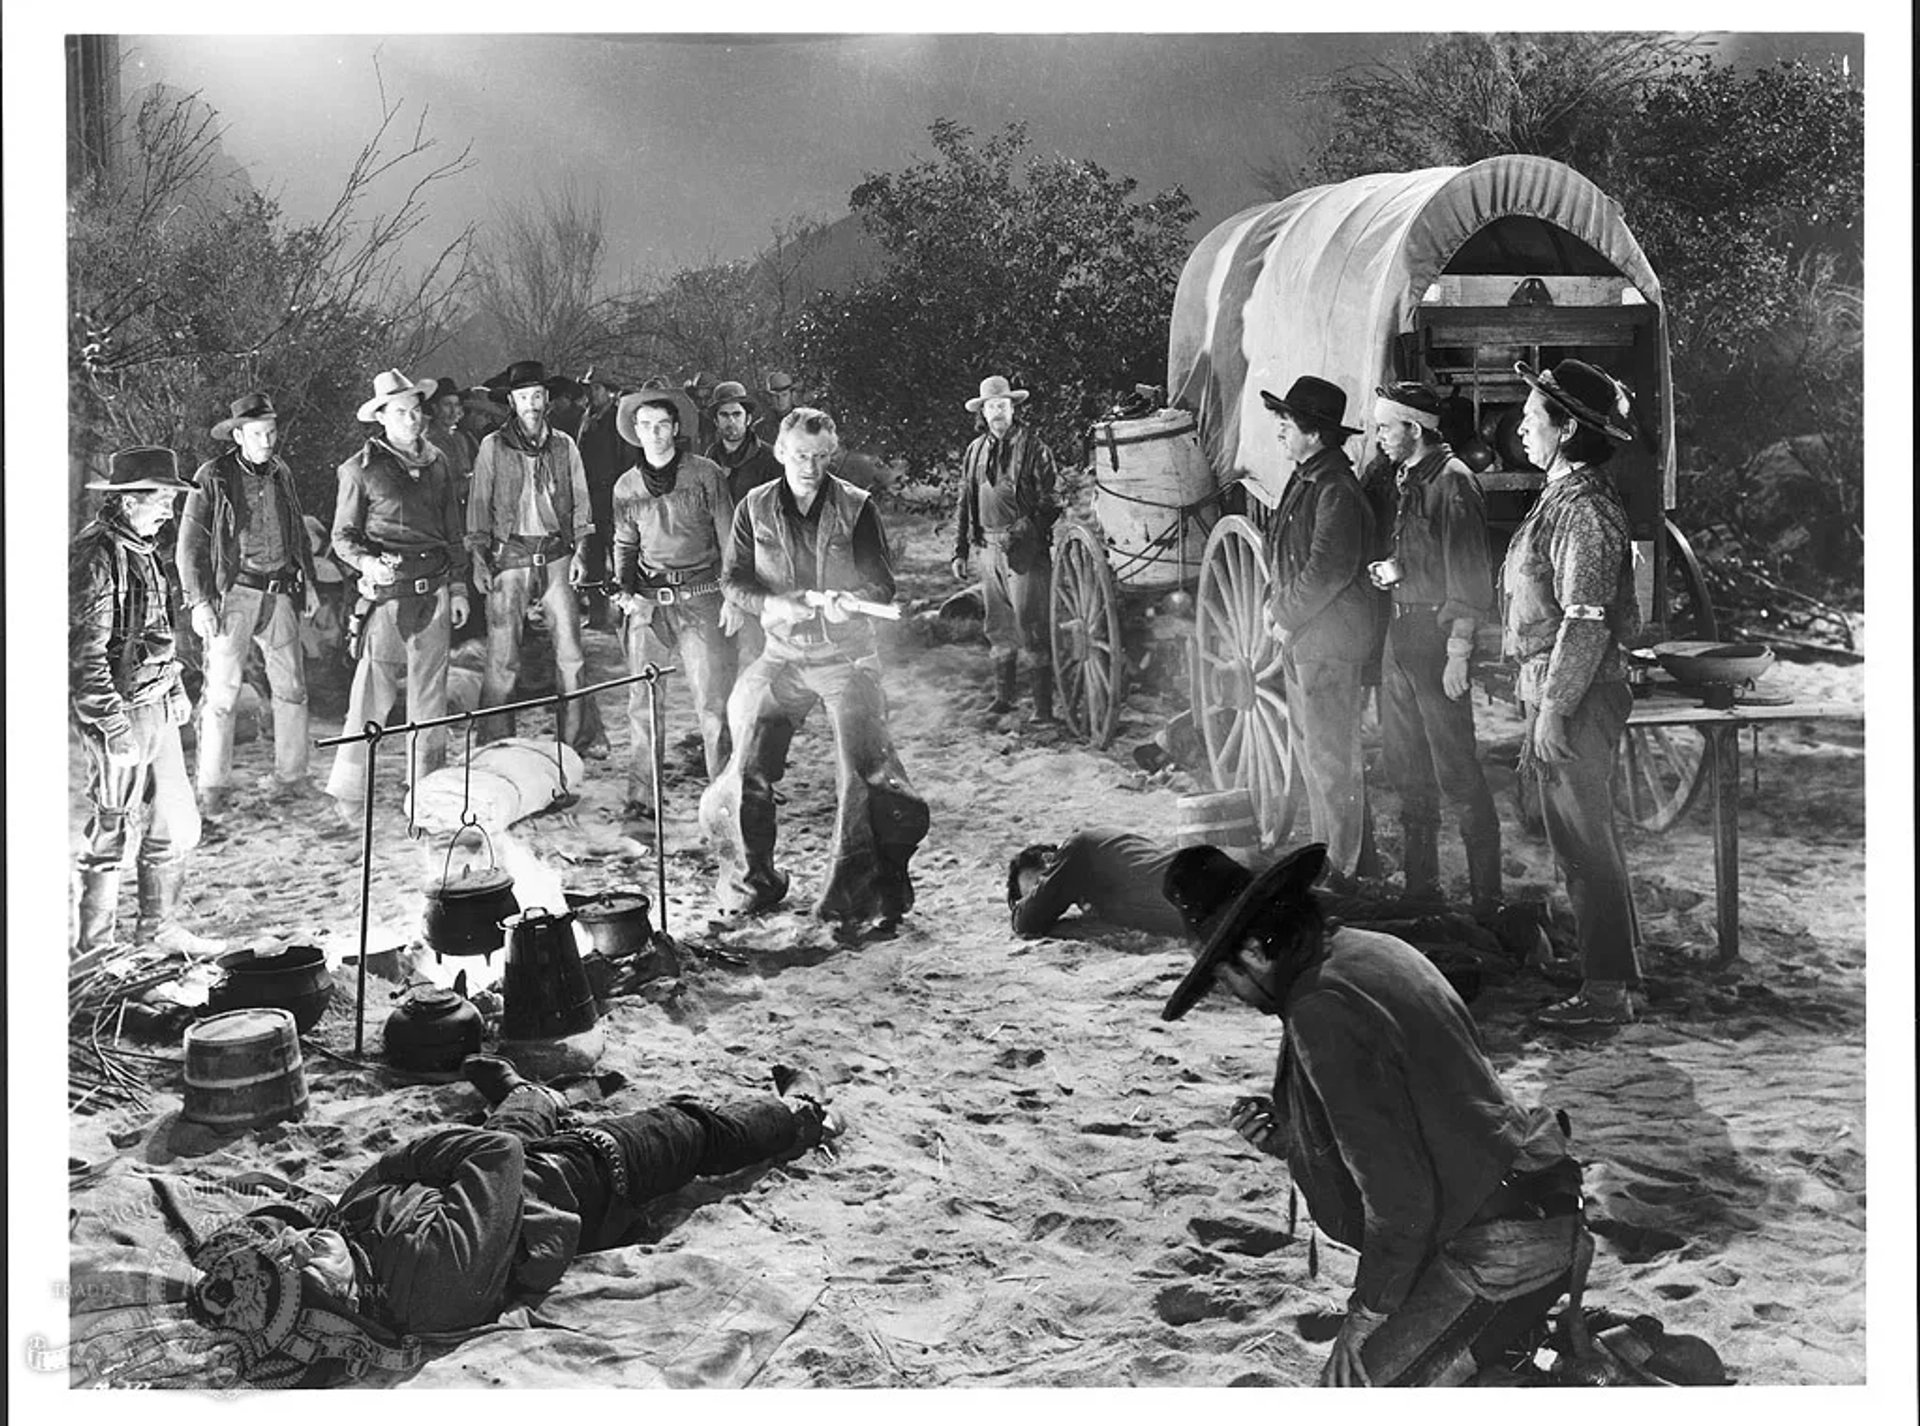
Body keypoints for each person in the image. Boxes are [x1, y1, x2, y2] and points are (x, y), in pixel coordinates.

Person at [1159, 842, 1592, 1387]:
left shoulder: (1320, 1010)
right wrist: (1293, 1135)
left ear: (1252, 951)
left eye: (1223, 979)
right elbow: (1423, 1106)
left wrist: (1366, 1316)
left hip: (1500, 1245)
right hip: (1535, 1201)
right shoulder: (1367, 950)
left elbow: (1400, 1199)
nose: (1232, 994)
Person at [152, 1055, 843, 1388]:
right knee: (692, 1128)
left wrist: (346, 1203)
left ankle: (530, 1093)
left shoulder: (346, 1257)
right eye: (295, 1257)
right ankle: (802, 1115)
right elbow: (496, 1156)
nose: (302, 1239)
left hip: (490, 1174)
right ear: (324, 1305)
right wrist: (396, 1161)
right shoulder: (433, 1283)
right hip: (589, 1172)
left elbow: (320, 1216)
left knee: (511, 1118)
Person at [700, 407, 930, 930]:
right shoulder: (753, 507)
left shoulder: (856, 506)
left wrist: (853, 600)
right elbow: (733, 580)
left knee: (865, 775)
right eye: (801, 455)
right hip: (780, 656)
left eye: (821, 457)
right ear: (780, 452)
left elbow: (883, 586)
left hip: (844, 659)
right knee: (743, 764)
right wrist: (768, 606)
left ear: (832, 456)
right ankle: (751, 885)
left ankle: (855, 897)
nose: (810, 466)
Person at [1505, 360, 1644, 1028]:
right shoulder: (1562, 496)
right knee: (1581, 841)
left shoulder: (1585, 510)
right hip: (1560, 689)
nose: (1522, 428)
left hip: (1580, 695)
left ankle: (1606, 992)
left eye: (1534, 417)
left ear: (1564, 430)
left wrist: (1556, 707)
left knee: (1586, 844)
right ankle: (1613, 974)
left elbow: (1585, 620)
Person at [70, 446, 223, 961]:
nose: (169, 510)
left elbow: (158, 631)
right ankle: (94, 950)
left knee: (171, 823)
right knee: (111, 824)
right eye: (161, 499)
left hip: (156, 703)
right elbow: (85, 658)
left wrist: (175, 687)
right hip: (123, 710)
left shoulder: (144, 550)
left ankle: (157, 929)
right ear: (130, 500)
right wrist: (112, 728)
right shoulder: (96, 555)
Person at [1361, 381, 1501, 916]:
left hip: (1436, 641)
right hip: (1401, 634)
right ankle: (1423, 889)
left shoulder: (1454, 482)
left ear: (1414, 430)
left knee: (1457, 772)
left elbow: (1468, 575)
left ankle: (1489, 901)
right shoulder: (1408, 477)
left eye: (1385, 428)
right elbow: (1424, 556)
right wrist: (1394, 574)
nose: (1379, 438)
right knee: (1406, 766)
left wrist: (1460, 650)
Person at [325, 369, 472, 816]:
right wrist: (368, 564)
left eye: (415, 411)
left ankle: (425, 793)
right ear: (381, 418)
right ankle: (350, 792)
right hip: (388, 596)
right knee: (371, 695)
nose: (412, 420)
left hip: (436, 592)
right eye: (401, 413)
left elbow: (452, 530)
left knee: (430, 700)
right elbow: (342, 536)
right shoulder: (358, 470)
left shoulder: (439, 463)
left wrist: (461, 585)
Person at [176, 392, 321, 811]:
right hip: (233, 593)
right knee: (222, 693)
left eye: (272, 432)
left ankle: (291, 777)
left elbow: (295, 529)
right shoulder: (213, 476)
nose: (267, 441)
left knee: (292, 688)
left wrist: (307, 581)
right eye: (258, 434)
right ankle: (212, 787)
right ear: (238, 435)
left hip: (279, 593)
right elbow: (189, 546)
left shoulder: (280, 472)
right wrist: (200, 602)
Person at [1260, 377, 1377, 890]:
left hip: (1330, 640)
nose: (1280, 431)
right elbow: (1290, 558)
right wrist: (1277, 609)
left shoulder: (1335, 490)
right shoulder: (1308, 479)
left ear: (1316, 434)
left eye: (1288, 423)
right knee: (1314, 757)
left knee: (1332, 759)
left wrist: (1283, 614)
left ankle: (1344, 870)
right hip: (1308, 638)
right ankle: (1334, 857)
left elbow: (1326, 570)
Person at [610, 385, 738, 811]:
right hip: (649, 603)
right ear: (635, 431)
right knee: (643, 703)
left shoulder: (706, 475)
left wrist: (734, 595)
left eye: (662, 425)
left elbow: (729, 538)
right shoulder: (627, 486)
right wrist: (624, 589)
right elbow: (625, 544)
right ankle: (642, 801)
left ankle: (723, 796)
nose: (654, 434)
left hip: (701, 598)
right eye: (645, 426)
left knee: (712, 703)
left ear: (676, 428)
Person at [466, 359, 603, 753]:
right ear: (512, 401)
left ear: (547, 400)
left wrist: (581, 552)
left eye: (537, 396)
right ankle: (494, 741)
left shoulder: (564, 445)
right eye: (523, 396)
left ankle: (574, 740)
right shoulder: (493, 447)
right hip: (510, 555)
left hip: (556, 552)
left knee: (571, 652)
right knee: (502, 654)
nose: (531, 403)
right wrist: (477, 555)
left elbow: (581, 502)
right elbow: (478, 505)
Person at [950, 375, 1062, 722]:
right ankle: (1005, 698)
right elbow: (965, 500)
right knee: (998, 625)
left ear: (1013, 408)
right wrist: (960, 550)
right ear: (982, 412)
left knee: (1031, 625)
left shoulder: (1034, 448)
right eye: (991, 407)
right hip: (987, 546)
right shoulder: (975, 451)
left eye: (1003, 405)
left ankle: (1043, 709)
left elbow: (1054, 498)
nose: (997, 412)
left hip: (1024, 549)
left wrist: (1030, 526)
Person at [1006, 829, 1193, 939]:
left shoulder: (1078, 848)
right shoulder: (1099, 896)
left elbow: (1027, 921)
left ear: (1049, 860)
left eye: (1037, 887)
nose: (1039, 896)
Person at [575, 366, 635, 632]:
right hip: (591, 500)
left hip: (614, 498)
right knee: (593, 557)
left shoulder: (617, 420)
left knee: (621, 555)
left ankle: (626, 613)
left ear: (609, 392)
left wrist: (623, 496)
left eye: (596, 387)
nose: (591, 392)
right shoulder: (587, 417)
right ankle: (599, 615)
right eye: (589, 388)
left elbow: (627, 460)